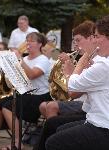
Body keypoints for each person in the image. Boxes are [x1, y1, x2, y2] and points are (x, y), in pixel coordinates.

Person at [45, 15, 109, 150]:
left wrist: (73, 68)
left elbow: (73, 89)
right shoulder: (102, 62)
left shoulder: (103, 64)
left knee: (53, 142)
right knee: (59, 130)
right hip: (97, 119)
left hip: (103, 126)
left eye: (96, 37)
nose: (94, 41)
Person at [32, 20, 96, 150]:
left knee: (52, 121)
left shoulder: (95, 61)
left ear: (90, 38)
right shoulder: (87, 59)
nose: (75, 45)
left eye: (78, 40)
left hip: (88, 110)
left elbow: (75, 91)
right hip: (85, 106)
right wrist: (70, 68)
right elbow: (76, 87)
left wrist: (69, 71)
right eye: (74, 41)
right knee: (47, 112)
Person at [0, 32, 52, 150]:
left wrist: (19, 59)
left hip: (38, 97)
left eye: (32, 41)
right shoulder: (25, 59)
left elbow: (32, 75)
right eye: (27, 40)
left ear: (40, 44)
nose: (28, 43)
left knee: (8, 106)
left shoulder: (43, 60)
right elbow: (16, 79)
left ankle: (16, 142)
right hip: (24, 94)